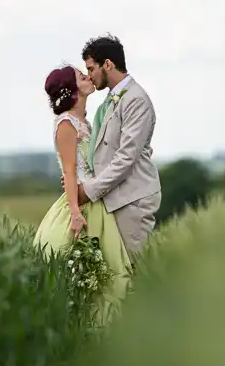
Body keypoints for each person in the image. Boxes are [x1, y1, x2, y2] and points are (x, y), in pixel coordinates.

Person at [33, 64, 133, 320]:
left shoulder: (86, 123)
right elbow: (69, 171)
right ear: (71, 89)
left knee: (113, 274)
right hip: (82, 203)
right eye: (81, 76)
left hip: (98, 200)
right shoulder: (66, 124)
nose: (88, 77)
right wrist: (75, 212)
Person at [69, 35, 162, 257]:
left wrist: (87, 191)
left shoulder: (136, 100)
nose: (89, 76)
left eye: (91, 69)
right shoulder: (112, 99)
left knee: (135, 273)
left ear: (108, 64)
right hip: (114, 198)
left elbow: (126, 158)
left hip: (132, 201)